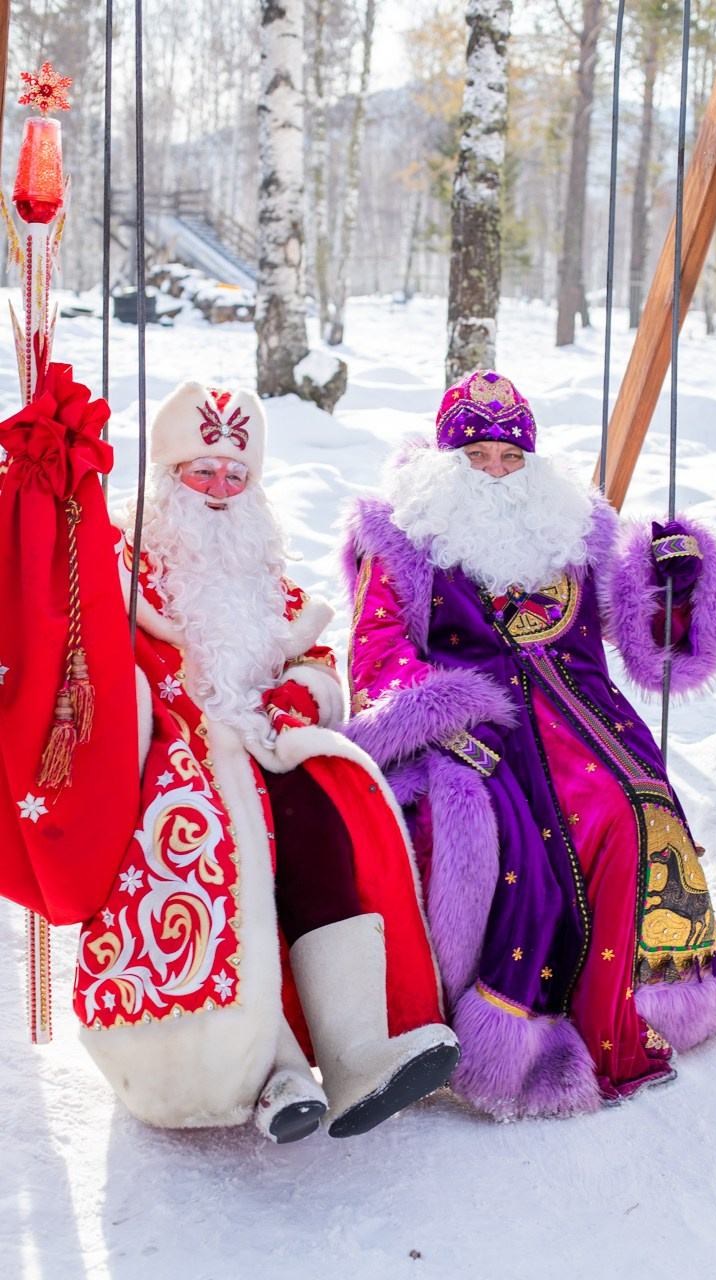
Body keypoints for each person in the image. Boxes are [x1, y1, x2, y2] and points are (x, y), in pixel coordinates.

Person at [341, 368, 716, 1120]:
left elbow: (655, 653)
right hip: (476, 727)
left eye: (508, 456)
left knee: (634, 806)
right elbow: (376, 650)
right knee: (527, 840)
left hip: (589, 716)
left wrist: (678, 584)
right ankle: (535, 1028)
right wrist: (443, 712)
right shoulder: (397, 536)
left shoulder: (574, 532)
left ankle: (649, 1003)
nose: (494, 471)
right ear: (442, 461)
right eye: (475, 457)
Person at [73, 380, 459, 1143]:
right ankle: (270, 1071)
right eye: (201, 471)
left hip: (265, 748)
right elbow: (100, 671)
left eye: (235, 474)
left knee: (323, 829)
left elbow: (316, 657)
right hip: (168, 764)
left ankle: (353, 1055)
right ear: (165, 477)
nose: (219, 490)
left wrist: (302, 696)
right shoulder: (125, 566)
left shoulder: (259, 569)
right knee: (223, 852)